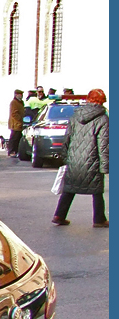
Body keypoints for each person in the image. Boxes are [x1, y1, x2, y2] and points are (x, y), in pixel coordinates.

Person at [52, 87, 109, 228]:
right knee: (97, 190)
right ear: (102, 102)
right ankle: (99, 219)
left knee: (69, 188)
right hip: (92, 159)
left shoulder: (75, 116)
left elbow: (67, 138)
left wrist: (65, 157)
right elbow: (103, 144)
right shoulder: (103, 119)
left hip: (74, 158)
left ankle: (59, 215)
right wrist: (105, 166)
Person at [7, 89, 25, 157]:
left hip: (19, 123)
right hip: (15, 123)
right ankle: (11, 151)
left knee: (18, 138)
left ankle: (16, 151)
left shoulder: (21, 102)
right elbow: (14, 113)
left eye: (22, 94)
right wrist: (20, 119)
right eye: (20, 94)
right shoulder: (14, 102)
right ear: (16, 95)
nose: (21, 96)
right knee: (14, 138)